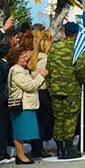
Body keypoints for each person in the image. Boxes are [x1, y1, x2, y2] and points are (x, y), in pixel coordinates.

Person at [47, 22, 85, 160]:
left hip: (56, 87)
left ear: (65, 32)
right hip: (71, 88)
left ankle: (59, 149)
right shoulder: (79, 48)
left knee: (58, 118)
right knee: (70, 118)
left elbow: (49, 67)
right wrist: (81, 81)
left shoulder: (55, 47)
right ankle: (68, 148)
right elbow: (81, 69)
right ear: (76, 33)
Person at [7, 46, 47, 165]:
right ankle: (20, 155)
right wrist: (41, 76)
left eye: (26, 57)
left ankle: (22, 154)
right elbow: (30, 86)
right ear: (16, 58)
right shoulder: (17, 71)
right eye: (22, 57)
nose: (25, 59)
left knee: (23, 131)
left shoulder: (21, 70)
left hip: (27, 104)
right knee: (20, 132)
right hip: (22, 105)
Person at [29, 30, 54, 158]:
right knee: (43, 122)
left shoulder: (34, 59)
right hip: (43, 91)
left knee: (38, 121)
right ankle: (39, 148)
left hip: (36, 92)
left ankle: (37, 147)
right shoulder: (45, 61)